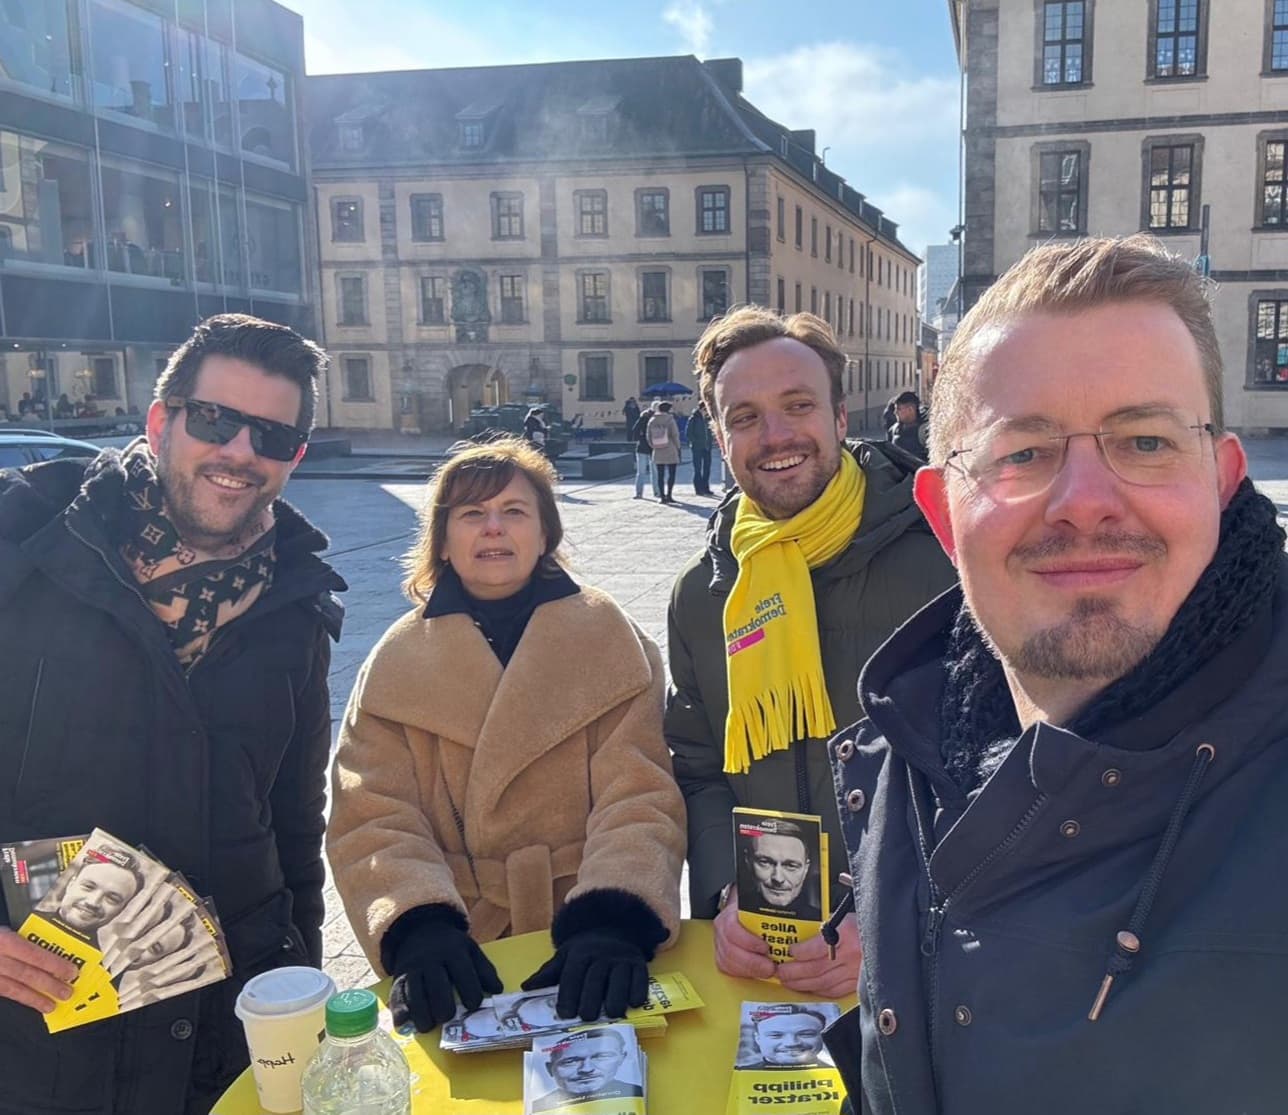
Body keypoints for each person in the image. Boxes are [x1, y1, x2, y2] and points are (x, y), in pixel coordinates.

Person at [824, 235, 1288, 1112]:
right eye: (1022, 452)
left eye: (1146, 441)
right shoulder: (908, 760)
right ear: (941, 511)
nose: (1084, 498)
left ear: (1222, 481)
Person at [0, 312, 345, 1115]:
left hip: (227, 1037)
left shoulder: (298, 605)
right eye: (216, 419)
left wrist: (301, 983)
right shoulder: (28, 546)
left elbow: (296, 825)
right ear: (162, 419)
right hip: (43, 1035)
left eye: (273, 436)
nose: (239, 453)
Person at [327, 438, 685, 1034]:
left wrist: (613, 918)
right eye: (472, 514)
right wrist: (418, 924)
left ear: (545, 532)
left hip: (586, 949)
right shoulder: (396, 663)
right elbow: (371, 812)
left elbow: (641, 794)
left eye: (514, 512)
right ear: (441, 539)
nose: (494, 528)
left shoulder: (611, 642)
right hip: (461, 952)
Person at [664, 306, 956, 999]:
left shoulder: (942, 561)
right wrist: (724, 895)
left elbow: (991, 769)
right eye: (744, 417)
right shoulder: (703, 595)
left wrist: (896, 916)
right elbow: (700, 767)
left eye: (798, 405)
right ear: (718, 434)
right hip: (766, 961)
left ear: (842, 417)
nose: (775, 436)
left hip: (924, 961)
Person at [531, 1027, 643, 1112]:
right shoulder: (537, 1107)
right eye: (570, 1061)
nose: (586, 1069)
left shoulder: (638, 1093)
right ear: (550, 1069)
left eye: (601, 1057)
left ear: (621, 1059)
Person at [737, 823, 820, 921]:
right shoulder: (730, 913)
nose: (778, 878)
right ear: (748, 861)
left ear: (806, 868)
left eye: (791, 865)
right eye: (765, 862)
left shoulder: (824, 923)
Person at [742, 1006, 832, 1069]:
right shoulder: (741, 1074)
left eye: (806, 1034)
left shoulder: (841, 1073)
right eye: (776, 1035)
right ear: (758, 1039)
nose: (792, 1043)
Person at [647, 400, 681, 503]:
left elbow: (648, 436)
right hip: (670, 448)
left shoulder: (652, 420)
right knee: (672, 474)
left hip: (658, 450)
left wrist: (653, 445)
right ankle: (669, 495)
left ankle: (662, 496)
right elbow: (675, 435)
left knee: (660, 475)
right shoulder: (670, 420)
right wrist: (678, 447)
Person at [886, 389, 929, 461]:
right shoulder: (893, 430)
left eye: (898, 409)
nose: (895, 412)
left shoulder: (925, 431)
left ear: (910, 409)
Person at [631, 401, 660, 499]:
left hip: (644, 448)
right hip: (650, 448)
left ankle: (640, 493)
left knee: (643, 472)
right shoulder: (652, 418)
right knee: (652, 472)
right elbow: (635, 430)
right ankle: (656, 492)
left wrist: (640, 439)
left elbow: (635, 431)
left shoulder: (646, 417)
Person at [686, 403, 715, 495]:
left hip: (707, 447)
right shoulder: (694, 418)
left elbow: (711, 431)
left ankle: (706, 488)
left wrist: (711, 441)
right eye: (705, 409)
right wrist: (695, 442)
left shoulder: (708, 419)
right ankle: (698, 489)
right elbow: (688, 433)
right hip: (697, 447)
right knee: (697, 469)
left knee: (707, 468)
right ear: (702, 408)